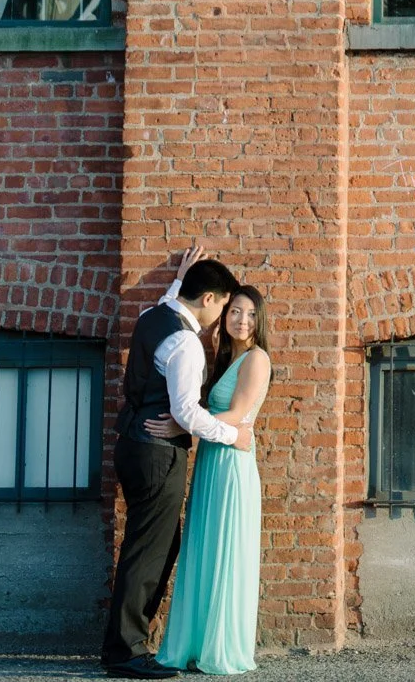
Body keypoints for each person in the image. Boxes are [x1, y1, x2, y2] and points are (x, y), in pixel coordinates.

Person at [101, 251, 250, 679]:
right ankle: (126, 651)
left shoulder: (155, 315)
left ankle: (122, 646)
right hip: (156, 454)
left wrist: (179, 278)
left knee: (151, 547)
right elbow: (185, 412)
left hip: (133, 444)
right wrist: (233, 435)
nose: (222, 316)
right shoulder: (185, 341)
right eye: (223, 305)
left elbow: (170, 303)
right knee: (150, 552)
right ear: (208, 298)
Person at [150, 270, 272, 674]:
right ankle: (193, 642)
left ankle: (220, 648)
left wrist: (182, 423)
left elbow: (237, 416)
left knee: (224, 552)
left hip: (233, 466)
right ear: (223, 313)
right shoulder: (224, 357)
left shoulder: (257, 359)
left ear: (260, 321)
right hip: (211, 463)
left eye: (250, 314)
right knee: (204, 550)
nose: (241, 320)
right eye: (235, 311)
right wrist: (179, 279)